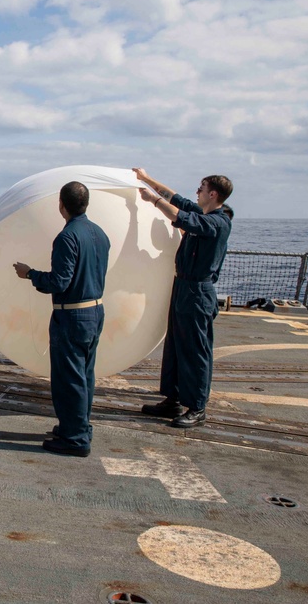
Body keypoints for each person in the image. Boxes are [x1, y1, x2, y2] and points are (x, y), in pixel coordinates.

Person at [12, 182, 110, 458]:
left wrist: (30, 274)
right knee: (85, 375)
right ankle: (77, 426)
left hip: (72, 315)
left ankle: (75, 439)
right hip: (94, 311)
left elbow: (60, 281)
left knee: (69, 378)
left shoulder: (67, 237)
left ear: (61, 204)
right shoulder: (99, 234)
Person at [133, 168, 233, 428]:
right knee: (176, 346)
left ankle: (198, 408)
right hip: (183, 287)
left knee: (195, 351)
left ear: (212, 194)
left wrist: (153, 201)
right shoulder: (204, 214)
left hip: (198, 292)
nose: (197, 192)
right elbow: (176, 200)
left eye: (201, 188)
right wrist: (146, 179)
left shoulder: (217, 222)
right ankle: (173, 399)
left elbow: (179, 216)